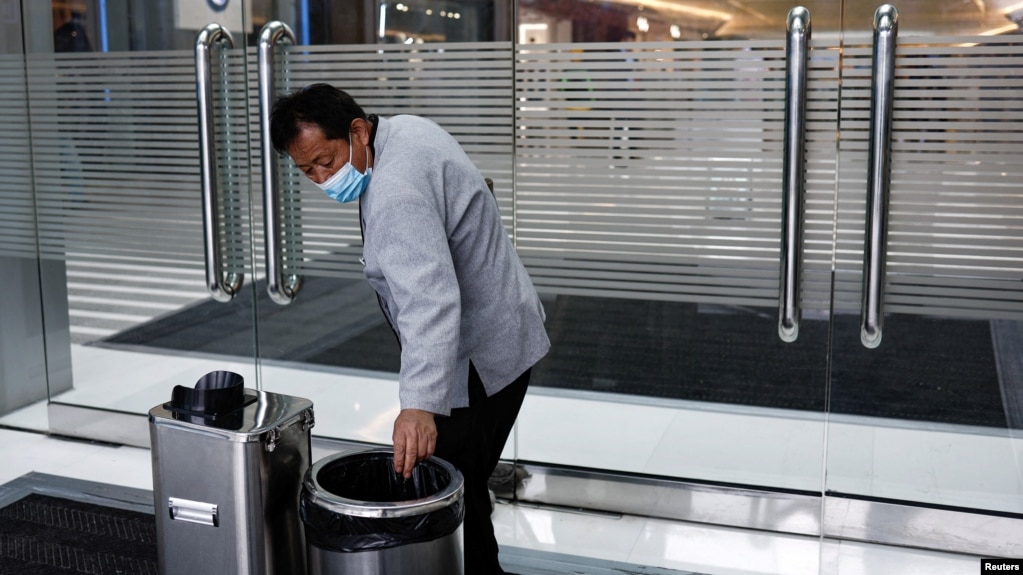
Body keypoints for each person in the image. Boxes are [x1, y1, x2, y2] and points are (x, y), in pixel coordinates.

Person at [270, 83, 550, 574]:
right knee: (465, 482)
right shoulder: (404, 130)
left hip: (480, 358)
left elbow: (430, 301)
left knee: (452, 495)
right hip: (505, 332)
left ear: (357, 131)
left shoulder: (394, 192)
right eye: (306, 170)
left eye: (326, 160)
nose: (320, 178)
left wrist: (419, 406)